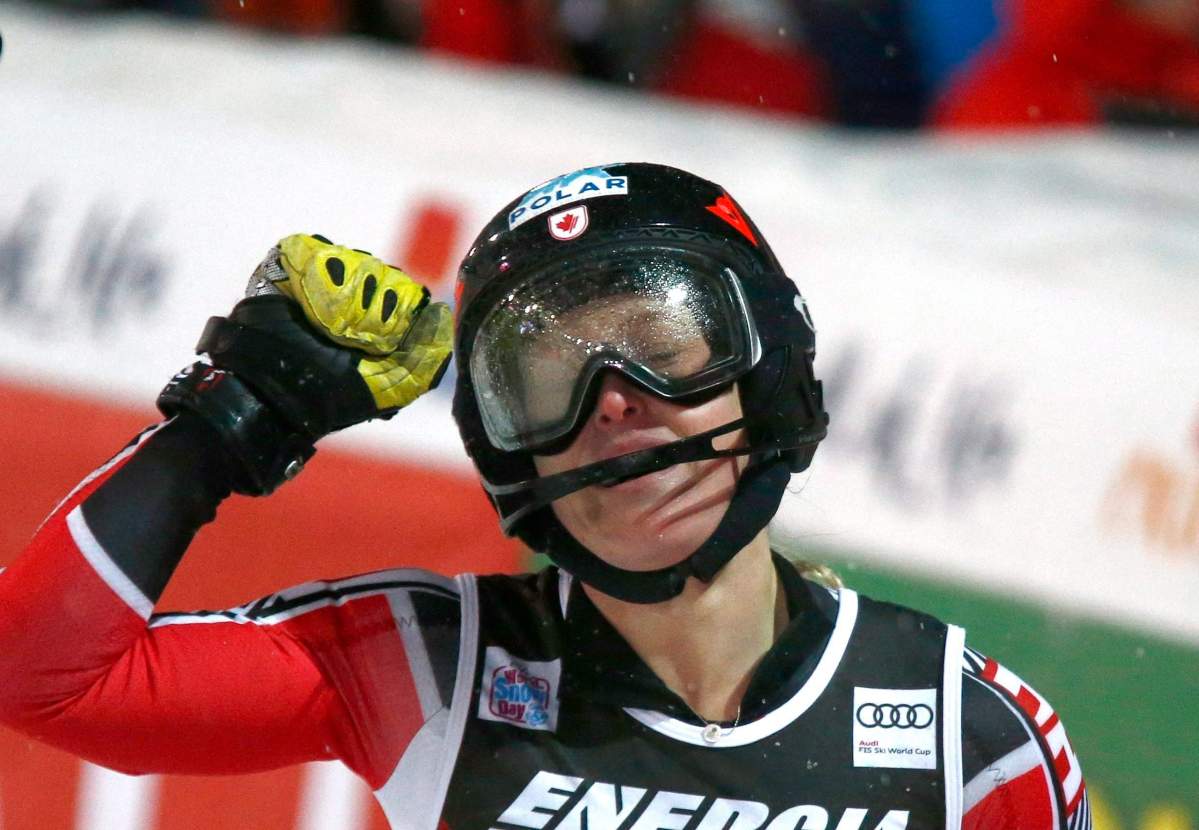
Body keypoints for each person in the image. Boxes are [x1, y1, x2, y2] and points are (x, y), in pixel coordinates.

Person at [0, 163, 1089, 829]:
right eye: (553, 381)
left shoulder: (972, 740)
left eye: (663, 348)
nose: (618, 406)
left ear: (766, 379)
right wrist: (228, 423)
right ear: (503, 449)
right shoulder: (429, 664)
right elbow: (41, 679)